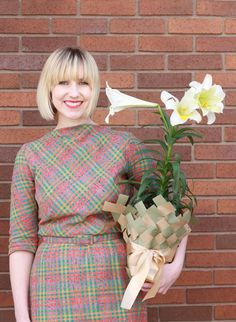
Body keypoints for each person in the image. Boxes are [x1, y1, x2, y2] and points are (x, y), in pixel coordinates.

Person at [9, 47, 188, 322]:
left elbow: (171, 203)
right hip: (52, 286)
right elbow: (22, 241)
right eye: (63, 83)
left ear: (94, 89)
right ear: (49, 88)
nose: (74, 93)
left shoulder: (124, 146)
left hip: (114, 282)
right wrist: (22, 317)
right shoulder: (30, 155)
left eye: (84, 83)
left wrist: (175, 266)